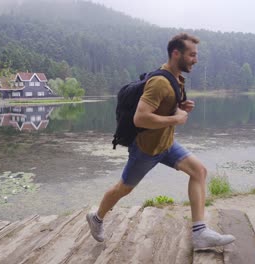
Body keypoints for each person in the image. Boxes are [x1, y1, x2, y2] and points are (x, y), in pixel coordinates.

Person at [86, 33, 235, 249]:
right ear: (176, 54)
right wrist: (176, 117)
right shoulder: (159, 82)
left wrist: (180, 108)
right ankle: (97, 217)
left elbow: (164, 107)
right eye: (192, 55)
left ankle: (200, 232)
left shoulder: (176, 79)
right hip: (146, 150)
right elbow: (141, 117)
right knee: (123, 188)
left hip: (166, 144)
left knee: (199, 172)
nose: (196, 59)